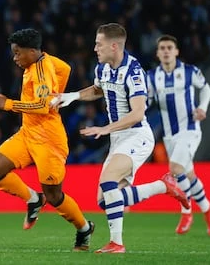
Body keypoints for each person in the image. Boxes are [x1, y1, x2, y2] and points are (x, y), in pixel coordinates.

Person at [50, 23, 189, 254]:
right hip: (119, 137)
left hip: (137, 135)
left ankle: (117, 244)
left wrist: (105, 129)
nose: (95, 48)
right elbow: (98, 90)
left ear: (114, 46)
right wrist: (72, 96)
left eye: (99, 44)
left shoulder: (134, 72)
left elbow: (137, 113)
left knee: (108, 180)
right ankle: (163, 186)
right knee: (106, 201)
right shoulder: (103, 68)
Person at [0, 28, 95, 251]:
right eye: (14, 53)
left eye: (18, 53)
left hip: (49, 140)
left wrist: (9, 104)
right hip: (28, 133)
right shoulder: (41, 63)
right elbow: (66, 68)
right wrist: (58, 96)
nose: (15, 58)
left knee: (54, 196)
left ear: (33, 51)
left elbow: (44, 107)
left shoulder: (41, 71)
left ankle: (84, 228)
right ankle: (34, 198)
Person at [146, 34, 210, 236]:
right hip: (170, 136)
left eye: (170, 47)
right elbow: (146, 100)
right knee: (188, 174)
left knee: (175, 169)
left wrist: (203, 108)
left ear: (177, 51)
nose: (166, 51)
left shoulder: (189, 71)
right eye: (162, 48)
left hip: (190, 129)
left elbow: (206, 89)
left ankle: (186, 212)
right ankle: (208, 209)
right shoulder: (152, 77)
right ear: (158, 53)